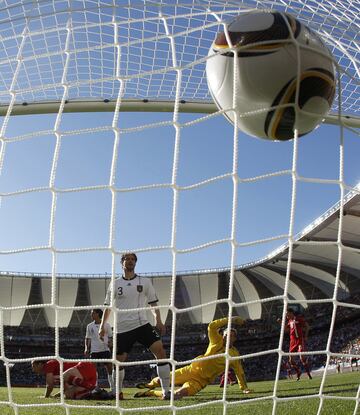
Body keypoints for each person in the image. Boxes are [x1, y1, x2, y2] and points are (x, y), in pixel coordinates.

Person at [99, 252, 170, 400]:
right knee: (118, 361)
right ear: (122, 263)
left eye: (132, 259)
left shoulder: (144, 281)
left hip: (142, 324)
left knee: (161, 353)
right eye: (127, 259)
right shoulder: (115, 283)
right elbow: (108, 307)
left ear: (135, 263)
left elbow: (153, 304)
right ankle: (117, 392)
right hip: (122, 328)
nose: (130, 262)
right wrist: (102, 326)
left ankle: (166, 392)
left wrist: (158, 320)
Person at [134, 316, 252, 400]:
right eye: (226, 335)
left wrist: (244, 388)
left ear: (235, 338)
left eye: (231, 336)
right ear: (223, 336)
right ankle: (150, 385)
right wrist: (232, 319)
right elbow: (212, 326)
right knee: (161, 380)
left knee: (177, 395)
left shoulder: (234, 354)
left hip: (201, 381)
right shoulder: (217, 341)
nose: (227, 337)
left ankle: (152, 393)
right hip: (191, 370)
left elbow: (239, 372)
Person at [85, 309, 115, 396]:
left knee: (109, 370)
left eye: (93, 313)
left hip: (105, 350)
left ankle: (113, 389)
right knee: (93, 370)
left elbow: (110, 337)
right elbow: (88, 338)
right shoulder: (89, 326)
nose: (91, 315)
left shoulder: (107, 325)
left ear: (98, 314)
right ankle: (95, 388)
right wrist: (87, 348)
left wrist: (108, 343)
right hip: (94, 351)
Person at [31, 359, 97, 399]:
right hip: (88, 377)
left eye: (33, 366)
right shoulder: (51, 369)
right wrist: (55, 395)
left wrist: (46, 396)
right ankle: (93, 391)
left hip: (85, 367)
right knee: (68, 394)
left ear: (40, 364)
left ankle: (92, 388)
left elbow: (50, 385)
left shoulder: (48, 365)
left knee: (63, 376)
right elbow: (64, 388)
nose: (33, 370)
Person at [279, 308, 312, 381]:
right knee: (291, 361)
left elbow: (307, 326)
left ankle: (308, 374)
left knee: (302, 358)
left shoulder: (298, 319)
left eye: (287, 313)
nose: (286, 315)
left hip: (299, 340)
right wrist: (281, 323)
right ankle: (298, 372)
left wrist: (306, 336)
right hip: (292, 342)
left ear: (291, 313)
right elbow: (287, 330)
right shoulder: (289, 321)